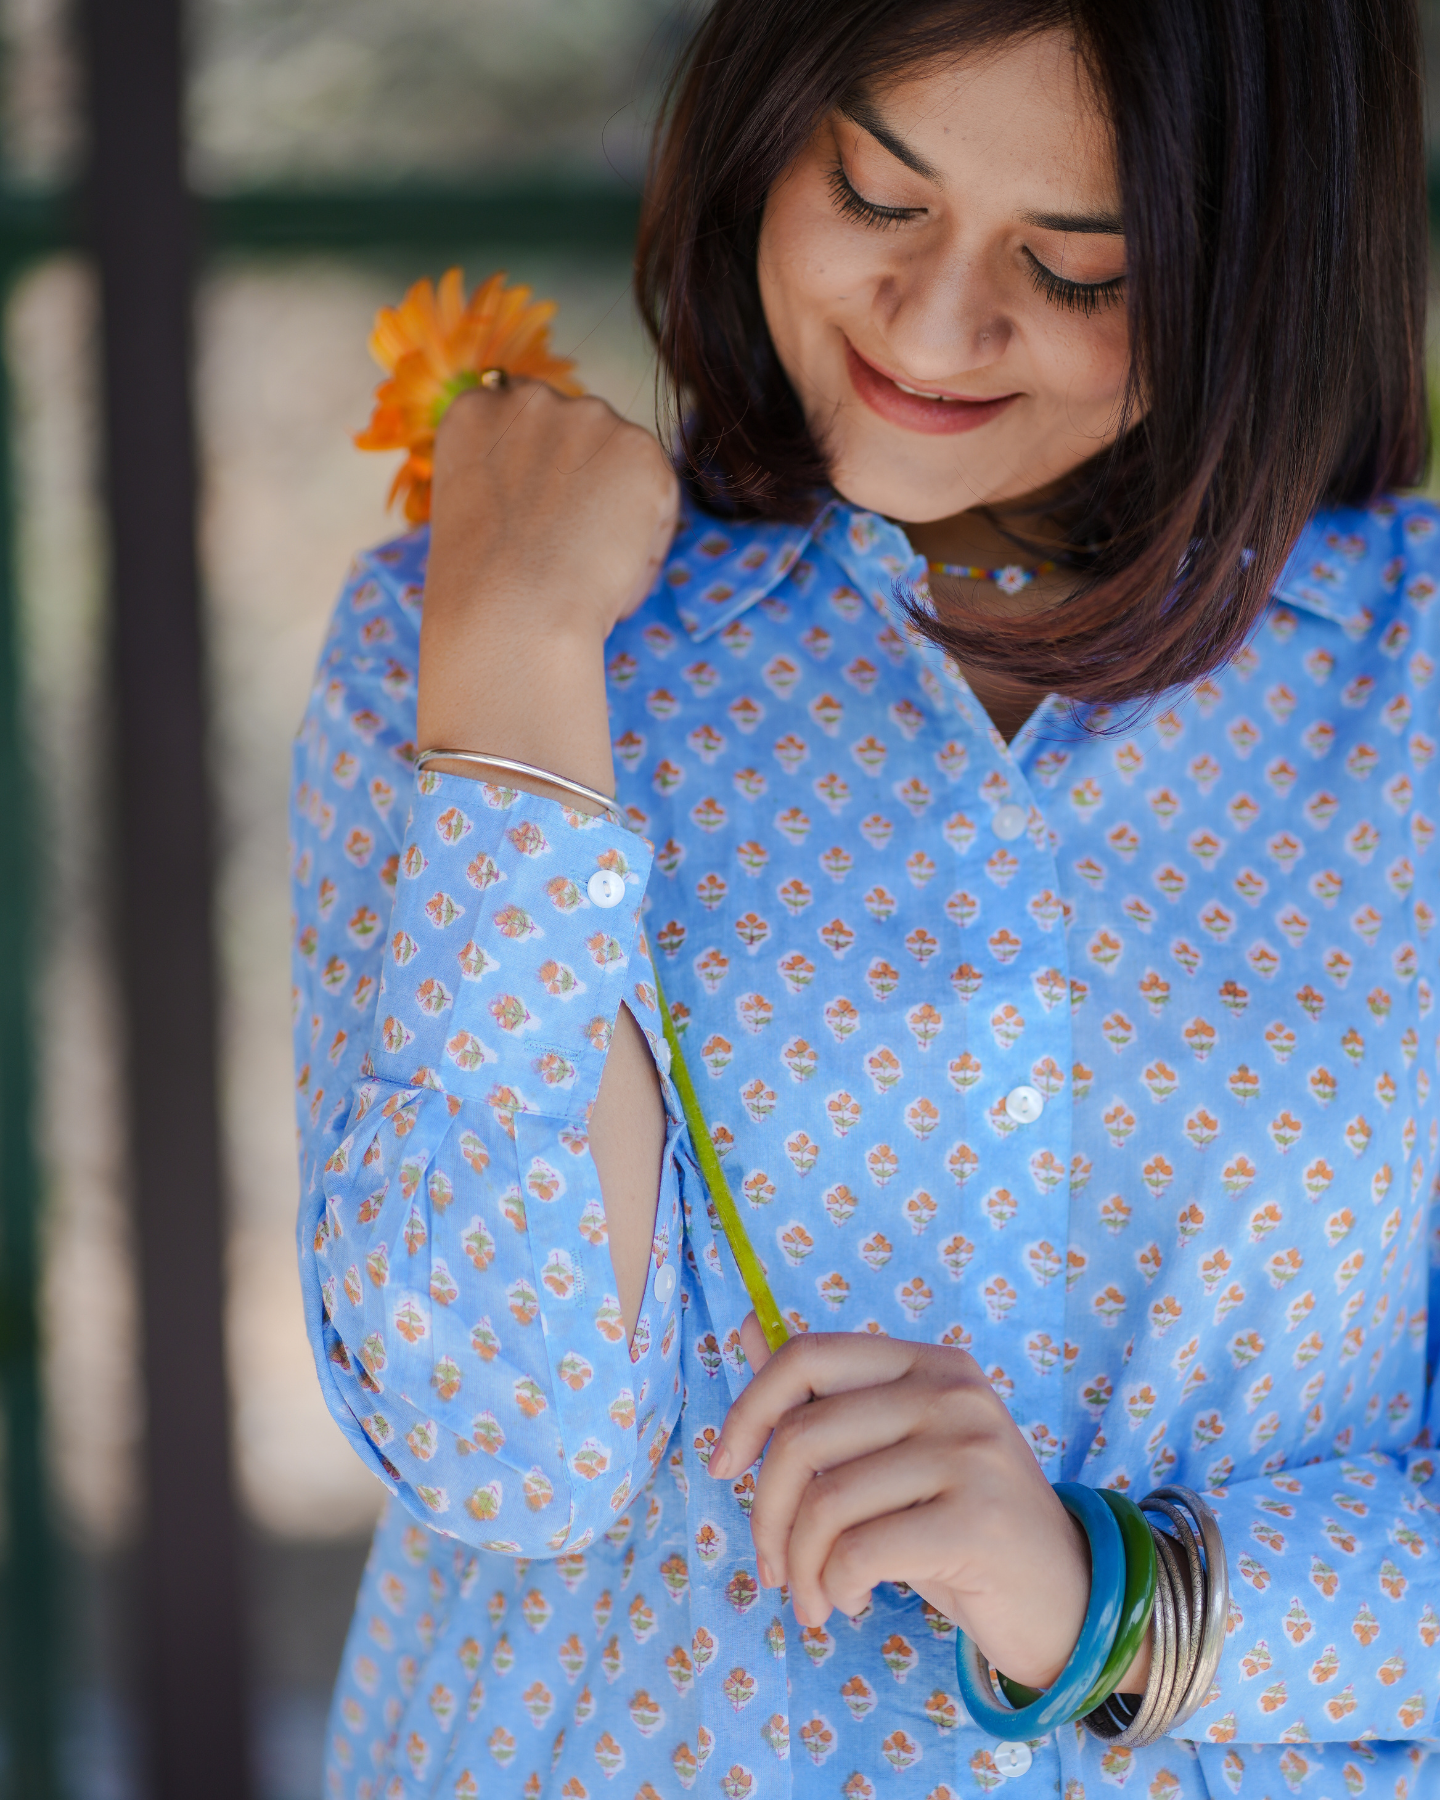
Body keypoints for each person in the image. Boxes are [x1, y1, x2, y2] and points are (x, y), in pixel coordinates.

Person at [290, 1, 1440, 1795]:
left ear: (1256, 272)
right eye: (877, 196)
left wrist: (1110, 1600)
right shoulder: (479, 637)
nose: (929, 323)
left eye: (1074, 271)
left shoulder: (1414, 684)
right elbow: (497, 1448)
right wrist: (517, 665)